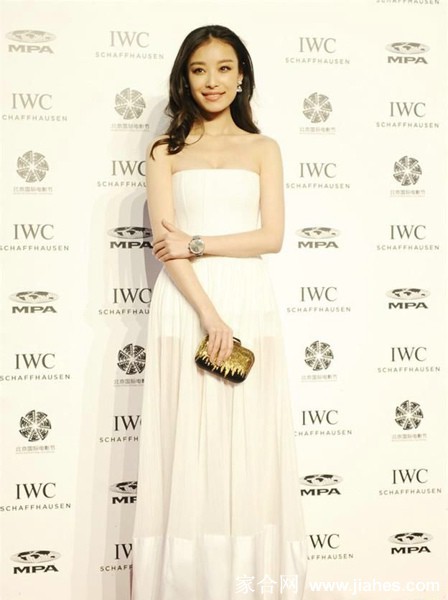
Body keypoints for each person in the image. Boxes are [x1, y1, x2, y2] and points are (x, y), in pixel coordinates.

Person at [131, 24, 308, 600]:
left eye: (224, 68)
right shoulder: (165, 151)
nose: (212, 80)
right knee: (187, 442)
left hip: (249, 300)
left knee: (248, 446)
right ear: (185, 78)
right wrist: (208, 314)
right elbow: (166, 245)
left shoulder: (263, 149)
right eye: (199, 69)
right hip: (186, 304)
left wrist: (199, 242)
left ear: (242, 76)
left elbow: (271, 236)